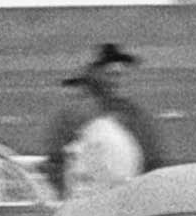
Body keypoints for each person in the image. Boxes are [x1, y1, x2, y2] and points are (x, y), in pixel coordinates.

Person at [41, 41, 168, 193]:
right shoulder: (74, 115)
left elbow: (153, 161)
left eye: (121, 75)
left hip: (127, 195)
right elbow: (55, 160)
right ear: (98, 76)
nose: (116, 81)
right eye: (111, 75)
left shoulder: (136, 116)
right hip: (87, 195)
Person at [59, 69, 144, 200]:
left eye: (79, 99)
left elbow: (118, 191)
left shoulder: (110, 141)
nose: (70, 107)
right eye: (68, 100)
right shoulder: (87, 136)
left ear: (96, 101)